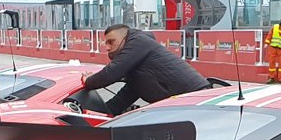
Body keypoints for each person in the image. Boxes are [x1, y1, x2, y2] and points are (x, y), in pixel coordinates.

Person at [80, 24, 209, 113]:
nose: (107, 48)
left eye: (111, 42)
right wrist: (98, 114)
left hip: (196, 98)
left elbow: (112, 73)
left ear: (125, 38)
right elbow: (125, 97)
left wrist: (88, 81)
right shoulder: (136, 65)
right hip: (182, 104)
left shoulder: (138, 42)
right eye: (105, 43)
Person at [264, 15, 281, 83]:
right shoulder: (275, 27)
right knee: (271, 63)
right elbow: (269, 36)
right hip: (273, 48)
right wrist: (266, 43)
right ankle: (271, 78)